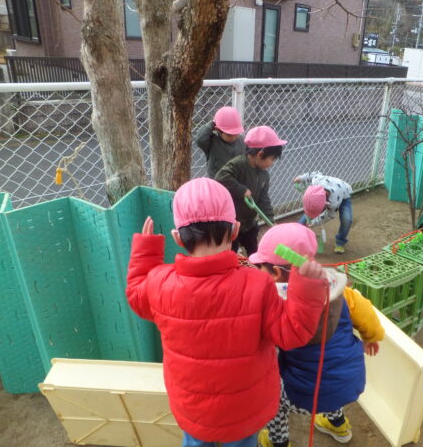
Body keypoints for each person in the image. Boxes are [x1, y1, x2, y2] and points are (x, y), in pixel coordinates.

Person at [125, 178, 327, 447]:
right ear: (235, 230)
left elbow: (137, 296)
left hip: (193, 409)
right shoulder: (258, 284)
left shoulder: (160, 283)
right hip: (245, 410)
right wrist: (307, 285)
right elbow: (293, 333)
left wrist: (146, 251)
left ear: (177, 237)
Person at [249, 223, 385, 447]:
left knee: (273, 397)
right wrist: (372, 337)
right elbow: (368, 316)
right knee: (328, 376)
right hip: (350, 382)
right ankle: (338, 425)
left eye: (260, 267)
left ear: (275, 273)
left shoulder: (278, 305)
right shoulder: (342, 292)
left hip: (303, 396)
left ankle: (277, 442)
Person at [215, 126, 286, 256]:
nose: (272, 163)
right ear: (260, 154)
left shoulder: (264, 175)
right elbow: (221, 177)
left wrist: (271, 220)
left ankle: (255, 265)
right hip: (233, 223)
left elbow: (264, 199)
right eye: (272, 159)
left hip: (250, 224)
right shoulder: (238, 164)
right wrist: (242, 190)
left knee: (253, 250)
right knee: (231, 252)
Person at [294, 172, 353, 254]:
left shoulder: (333, 203)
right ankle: (295, 234)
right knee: (309, 212)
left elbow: (329, 215)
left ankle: (340, 241)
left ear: (325, 204)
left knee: (347, 219)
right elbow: (315, 174)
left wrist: (314, 222)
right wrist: (302, 177)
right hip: (330, 189)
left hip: (344, 194)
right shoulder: (317, 181)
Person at [195, 106, 246, 178]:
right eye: (229, 135)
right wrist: (213, 123)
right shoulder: (212, 142)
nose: (234, 137)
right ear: (218, 130)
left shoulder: (242, 141)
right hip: (218, 180)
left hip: (237, 180)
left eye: (236, 133)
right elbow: (200, 139)